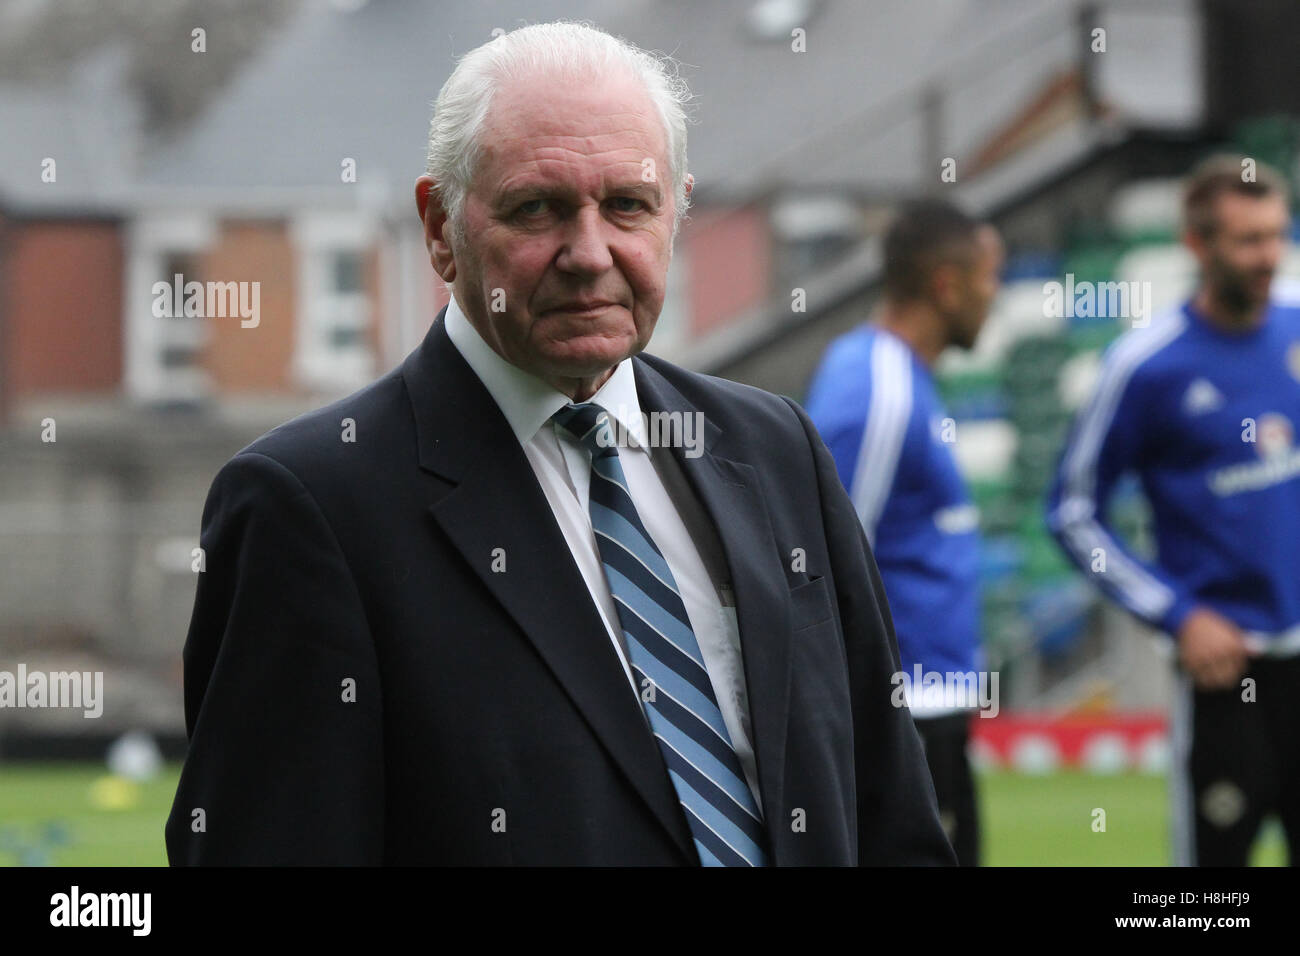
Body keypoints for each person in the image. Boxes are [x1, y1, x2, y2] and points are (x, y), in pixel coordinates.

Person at [164, 21, 954, 866]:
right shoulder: (310, 505)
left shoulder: (776, 452)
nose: (589, 254)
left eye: (627, 206)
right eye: (536, 208)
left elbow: (891, 819)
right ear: (439, 228)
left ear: (674, 211)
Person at [1046, 155, 1300, 866]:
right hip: (1227, 673)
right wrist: (1179, 615)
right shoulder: (1145, 365)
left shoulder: (1296, 330)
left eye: (1276, 236)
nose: (1267, 256)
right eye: (1248, 240)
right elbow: (1071, 512)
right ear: (1198, 243)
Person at [805, 200, 1004, 866]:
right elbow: (820, 562)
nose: (994, 296)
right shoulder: (878, 390)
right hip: (904, 714)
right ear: (946, 284)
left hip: (928, 703)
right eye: (988, 278)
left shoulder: (895, 374)